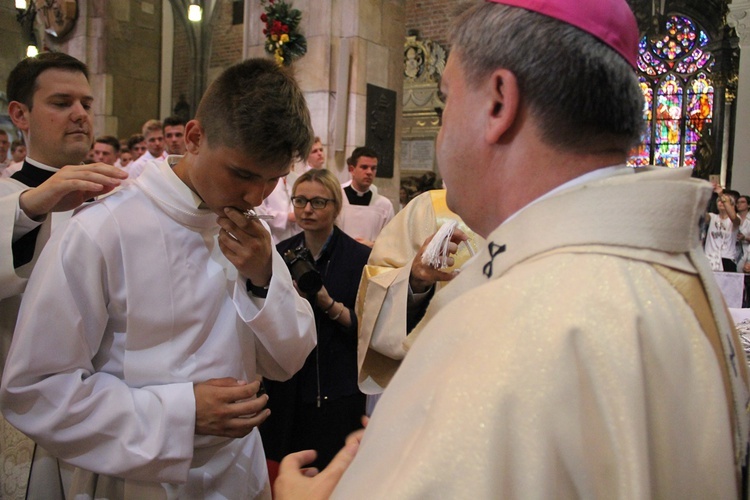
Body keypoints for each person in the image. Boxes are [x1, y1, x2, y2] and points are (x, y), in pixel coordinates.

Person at [275, 1, 750, 498]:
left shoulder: (513, 320)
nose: (441, 132)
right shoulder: (685, 284)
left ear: (499, 102)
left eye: (445, 103)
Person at [1, 57, 317, 498]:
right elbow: (34, 391)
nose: (255, 196)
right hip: (138, 478)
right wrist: (180, 414)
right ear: (194, 137)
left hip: (238, 473)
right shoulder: (103, 227)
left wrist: (263, 277)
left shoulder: (251, 234)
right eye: (242, 174)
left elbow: (289, 360)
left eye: (273, 180)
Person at [0, 52, 127, 500]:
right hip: (25, 425)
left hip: (111, 414)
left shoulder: (120, 197)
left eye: (87, 104)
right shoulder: (8, 197)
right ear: (21, 115)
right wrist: (31, 207)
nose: (80, 115)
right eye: (61, 102)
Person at [261, 168, 370, 474]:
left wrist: (326, 303)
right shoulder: (280, 253)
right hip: (289, 389)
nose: (307, 209)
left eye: (318, 202)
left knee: (334, 475)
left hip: (337, 388)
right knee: (287, 473)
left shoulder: (359, 257)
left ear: (336, 206)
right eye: (300, 200)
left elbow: (367, 331)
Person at [356, 189, 482, 400]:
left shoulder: (546, 210)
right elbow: (379, 282)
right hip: (438, 385)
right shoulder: (431, 208)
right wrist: (415, 281)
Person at [257, 136, 326, 244]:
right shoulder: (265, 180)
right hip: (274, 237)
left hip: (296, 236)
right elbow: (260, 213)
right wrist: (286, 217)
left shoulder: (295, 178)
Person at [337, 147, 395, 247]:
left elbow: (391, 241)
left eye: (373, 168)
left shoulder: (384, 205)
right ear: (352, 169)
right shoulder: (338, 199)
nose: (369, 172)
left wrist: (372, 245)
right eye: (364, 167)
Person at [704, 184, 740, 271]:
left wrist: (721, 194)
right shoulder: (712, 217)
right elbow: (701, 214)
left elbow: (733, 217)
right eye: (719, 201)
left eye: (724, 201)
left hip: (726, 258)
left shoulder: (736, 219)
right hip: (710, 258)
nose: (721, 202)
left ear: (732, 205)